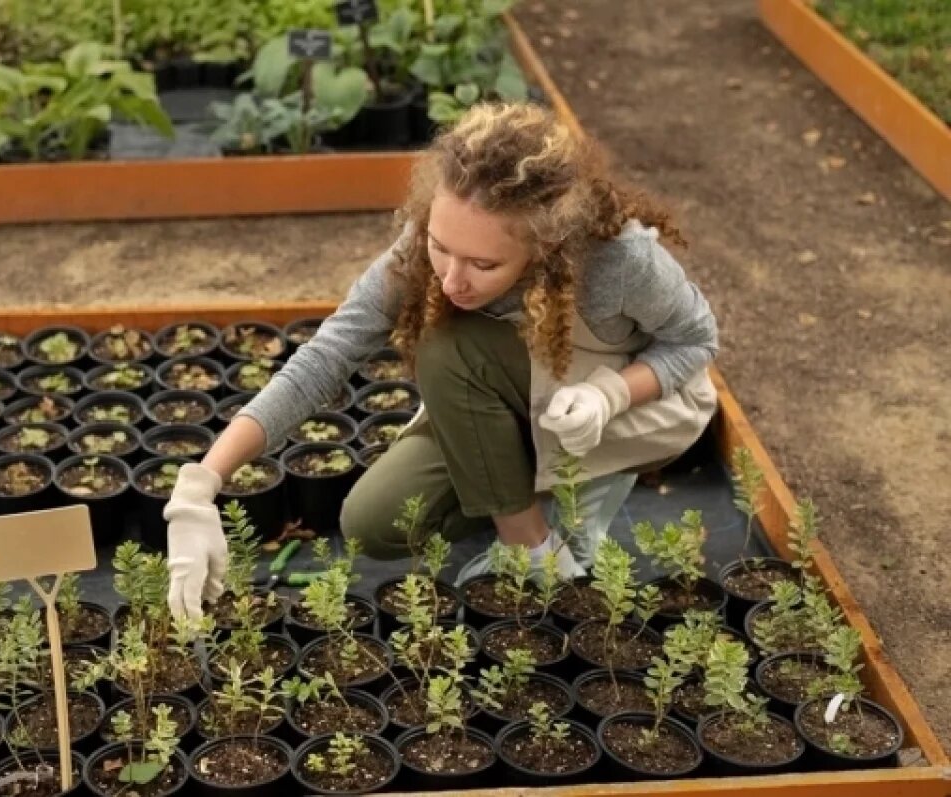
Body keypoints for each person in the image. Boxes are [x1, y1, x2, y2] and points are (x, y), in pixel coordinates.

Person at [164, 102, 718, 621]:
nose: (452, 280)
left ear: (546, 244)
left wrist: (609, 395)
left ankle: (536, 550)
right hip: (511, 401)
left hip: (623, 411)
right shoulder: (429, 240)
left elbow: (694, 342)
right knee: (375, 523)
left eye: (483, 263)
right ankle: (518, 482)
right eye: (440, 247)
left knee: (450, 345)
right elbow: (326, 356)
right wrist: (202, 482)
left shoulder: (619, 259)